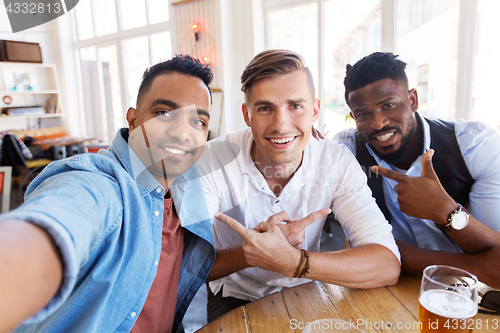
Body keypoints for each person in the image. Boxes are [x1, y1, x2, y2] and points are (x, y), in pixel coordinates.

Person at [0, 55, 216, 333]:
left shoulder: (186, 183)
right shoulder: (100, 183)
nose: (183, 133)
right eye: (164, 113)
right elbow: (64, 215)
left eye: (198, 121)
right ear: (134, 119)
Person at [199, 49, 401, 322]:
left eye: (295, 106)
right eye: (265, 108)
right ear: (247, 115)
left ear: (315, 110)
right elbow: (186, 264)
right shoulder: (212, 159)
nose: (281, 125)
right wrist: (253, 254)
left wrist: (294, 262)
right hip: (234, 294)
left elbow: (387, 264)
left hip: (307, 286)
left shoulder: (335, 160)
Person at [334, 52, 500, 288]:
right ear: (353, 117)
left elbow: (496, 245)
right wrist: (476, 268)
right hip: (390, 287)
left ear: (412, 100)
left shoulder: (473, 145)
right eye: (363, 114)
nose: (378, 123)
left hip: (476, 294)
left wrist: (445, 212)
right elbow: (370, 249)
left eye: (388, 105)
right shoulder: (346, 153)